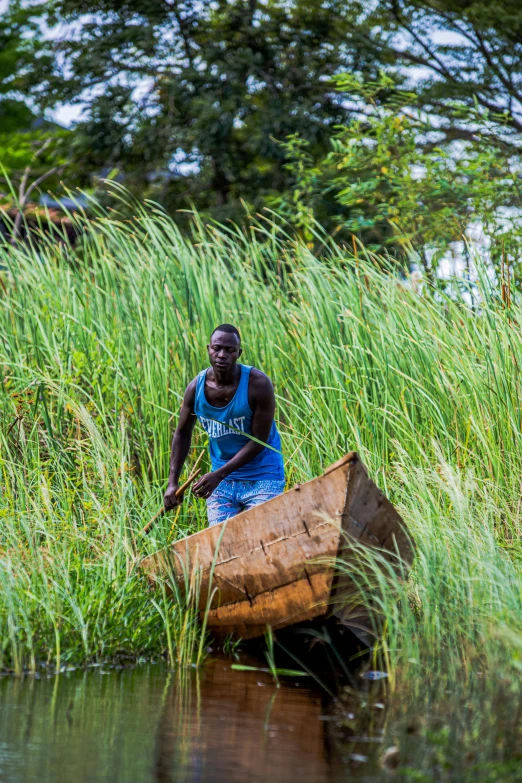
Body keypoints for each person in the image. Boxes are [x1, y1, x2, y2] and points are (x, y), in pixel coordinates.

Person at [164, 324, 285, 526]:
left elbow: (259, 441)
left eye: (229, 350)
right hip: (222, 483)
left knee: (261, 537)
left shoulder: (258, 384)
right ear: (208, 349)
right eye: (217, 348)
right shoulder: (196, 388)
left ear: (239, 353)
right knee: (222, 546)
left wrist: (218, 475)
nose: (222, 355)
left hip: (263, 475)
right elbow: (182, 433)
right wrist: (172, 483)